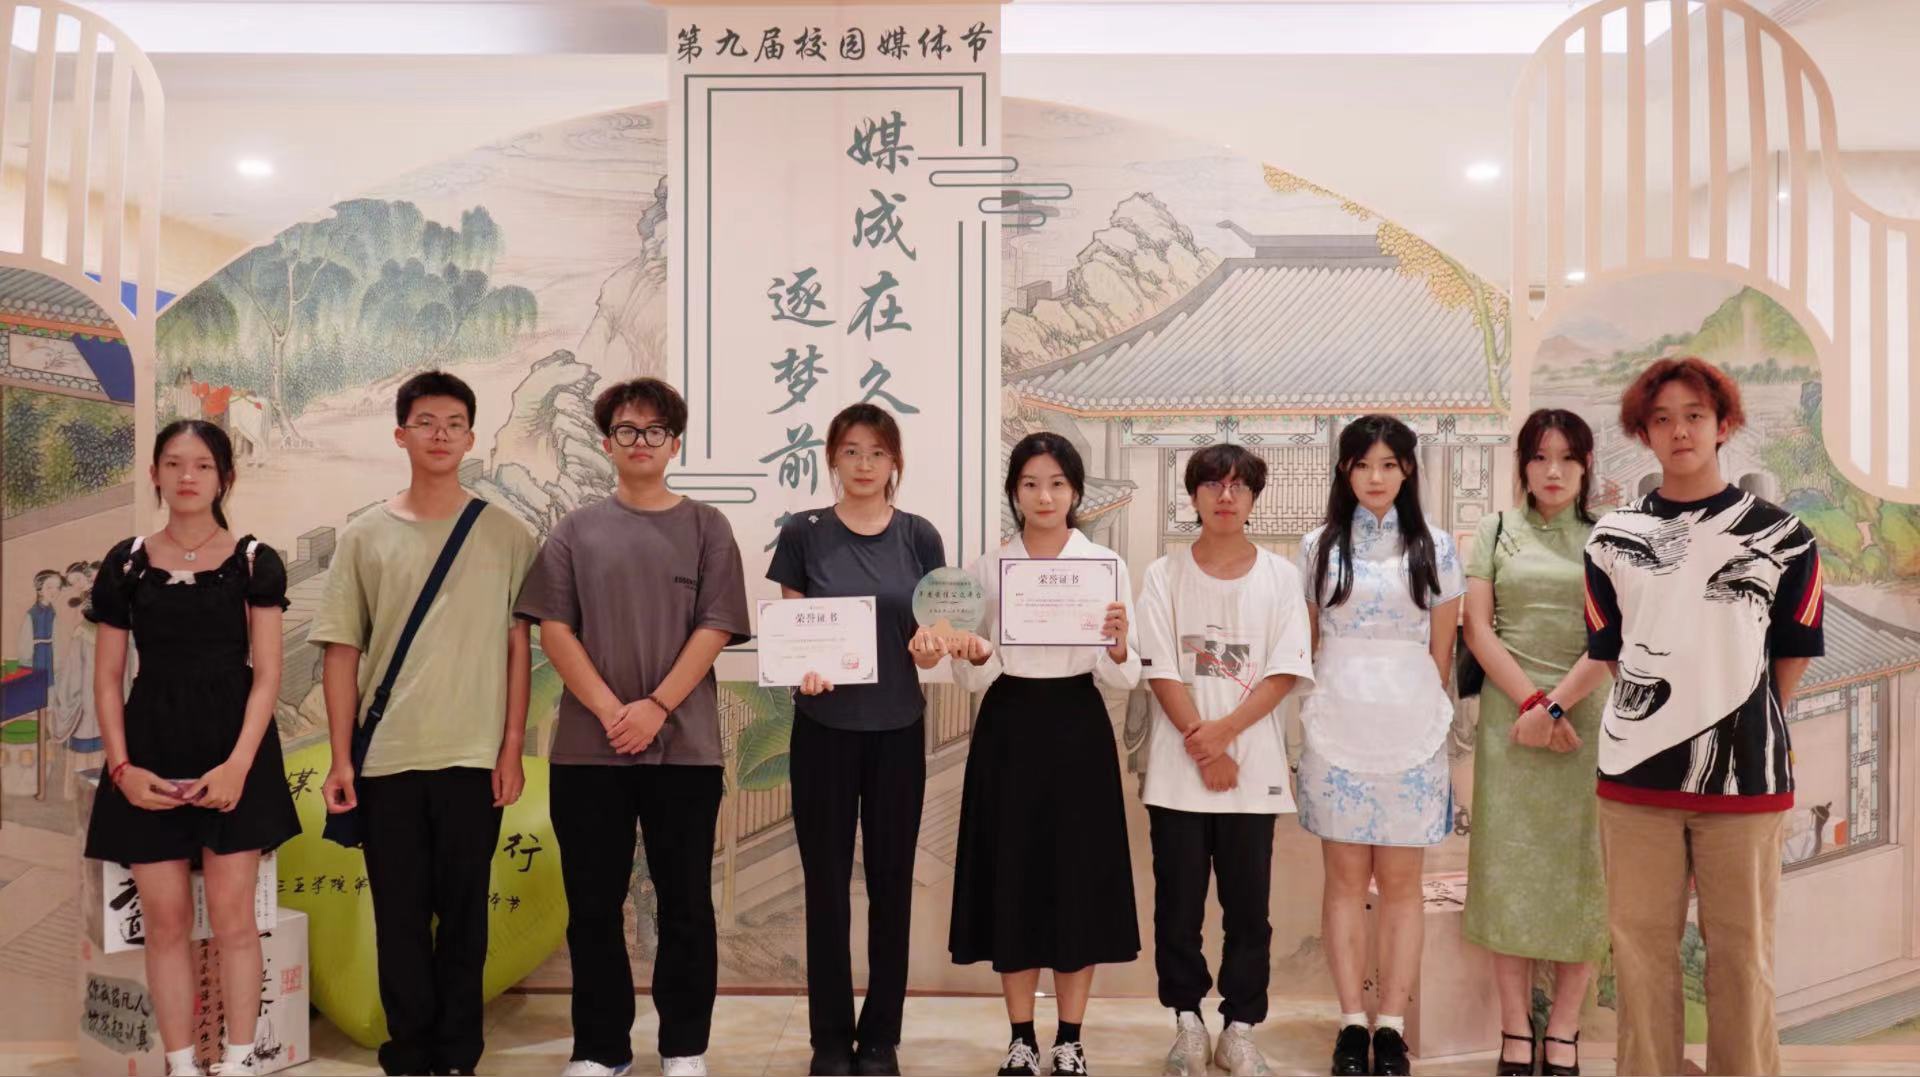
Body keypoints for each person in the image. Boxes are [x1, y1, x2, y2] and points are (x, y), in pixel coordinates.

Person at [1584, 357, 1823, 1077]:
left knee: (1743, 957)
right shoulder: (1611, 538)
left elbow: (1792, 653)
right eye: (1662, 418)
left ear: (1723, 425)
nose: (1679, 430)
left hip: (1747, 781)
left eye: (1694, 415)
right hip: (1633, 782)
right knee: (1639, 955)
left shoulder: (1785, 537)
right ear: (1643, 433)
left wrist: (1744, 719)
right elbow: (1611, 651)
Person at [514, 378, 752, 1077]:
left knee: (685, 905)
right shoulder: (575, 530)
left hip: (686, 751)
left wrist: (655, 708)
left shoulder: (708, 527)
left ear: (674, 444)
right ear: (607, 442)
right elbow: (554, 628)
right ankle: (600, 1049)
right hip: (589, 752)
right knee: (593, 906)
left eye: (654, 431)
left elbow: (715, 626)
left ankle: (684, 1047)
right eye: (626, 430)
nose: (640, 441)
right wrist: (610, 710)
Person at [314, 369, 539, 1077]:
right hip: (387, 759)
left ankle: (459, 1054)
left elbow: (518, 647)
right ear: (400, 434)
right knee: (400, 915)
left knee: (467, 915)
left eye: (453, 424)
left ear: (470, 437)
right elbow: (342, 649)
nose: (440, 435)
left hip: (474, 756)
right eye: (426, 422)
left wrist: (511, 746)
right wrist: (342, 758)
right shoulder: (364, 536)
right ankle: (409, 1053)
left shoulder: (508, 534)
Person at [83, 419, 301, 1077]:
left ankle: (239, 1061)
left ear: (224, 477)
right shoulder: (126, 563)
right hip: (150, 748)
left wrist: (238, 766)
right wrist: (122, 769)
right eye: (174, 463)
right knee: (166, 920)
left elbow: (267, 674)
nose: (187, 476)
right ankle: (180, 1065)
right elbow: (108, 678)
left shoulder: (255, 561)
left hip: (235, 751)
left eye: (203, 465)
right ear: (153, 473)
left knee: (234, 919)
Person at [944, 432, 1141, 1077]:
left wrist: (1117, 647)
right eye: (1030, 484)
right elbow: (971, 676)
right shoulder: (988, 567)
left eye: (1057, 483)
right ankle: (1022, 1038)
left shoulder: (1104, 566)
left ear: (1076, 491)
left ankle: (1071, 1039)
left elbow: (1123, 674)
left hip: (1078, 724)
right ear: (1014, 493)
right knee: (1015, 876)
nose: (1045, 496)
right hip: (1009, 726)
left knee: (1077, 877)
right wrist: (975, 652)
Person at [766, 402, 946, 1077]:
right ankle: (829, 1040)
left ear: (894, 460)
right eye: (850, 451)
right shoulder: (803, 532)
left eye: (876, 452)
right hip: (824, 731)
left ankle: (880, 1039)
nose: (863, 464)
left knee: (892, 886)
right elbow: (794, 630)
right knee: (826, 887)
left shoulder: (919, 536)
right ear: (832, 459)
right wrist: (802, 669)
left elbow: (931, 633)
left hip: (898, 728)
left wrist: (931, 647)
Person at [1136, 444, 1314, 1077]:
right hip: (1177, 773)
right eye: (1213, 484)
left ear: (1254, 497)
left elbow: (1285, 669)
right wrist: (1201, 742)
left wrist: (1224, 738)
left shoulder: (1281, 577)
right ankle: (1187, 1024)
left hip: (1252, 771)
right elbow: (1159, 666)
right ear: (1194, 496)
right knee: (1177, 909)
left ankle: (1240, 1028)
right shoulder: (1163, 574)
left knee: (1248, 912)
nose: (1226, 496)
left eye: (1239, 486)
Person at [1295, 415, 1464, 1077]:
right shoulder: (1318, 547)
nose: (1374, 477)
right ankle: (1349, 1023)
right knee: (1342, 882)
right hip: (1337, 723)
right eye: (1362, 464)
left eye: (1388, 464)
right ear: (1344, 471)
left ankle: (1390, 1026)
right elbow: (1309, 641)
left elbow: (1443, 652)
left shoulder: (1436, 547)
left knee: (1400, 885)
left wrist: (1414, 704)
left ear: (1407, 471)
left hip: (1410, 728)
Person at [1461, 409, 1614, 1077]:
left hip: (1585, 714)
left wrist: (1555, 706)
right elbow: (1476, 628)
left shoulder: (1609, 537)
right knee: (1508, 868)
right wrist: (1530, 704)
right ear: (1522, 463)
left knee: (1585, 870)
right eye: (1540, 457)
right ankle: (1515, 1029)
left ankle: (1565, 1031)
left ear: (1586, 465)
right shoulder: (1496, 530)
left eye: (1568, 458)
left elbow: (1613, 640)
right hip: (1510, 717)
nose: (1554, 471)